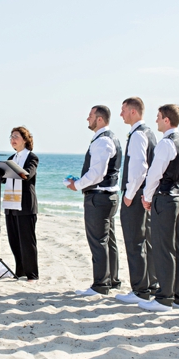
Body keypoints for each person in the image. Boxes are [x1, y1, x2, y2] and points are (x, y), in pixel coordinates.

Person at [139, 104, 179, 312]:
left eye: (159, 117)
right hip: (178, 197)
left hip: (165, 198)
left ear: (167, 120)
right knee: (178, 246)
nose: (157, 120)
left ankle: (165, 297)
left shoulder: (166, 144)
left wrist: (147, 197)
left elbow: (154, 174)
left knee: (163, 247)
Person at [67, 105, 122, 296]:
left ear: (99, 119)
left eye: (90, 116)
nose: (87, 119)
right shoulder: (110, 138)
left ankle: (101, 285)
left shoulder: (102, 141)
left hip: (99, 197)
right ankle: (111, 280)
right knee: (108, 241)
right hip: (108, 195)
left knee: (98, 241)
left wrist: (78, 185)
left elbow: (97, 173)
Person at [115, 97, 158, 304]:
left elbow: (140, 168)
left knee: (135, 241)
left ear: (133, 111)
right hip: (144, 194)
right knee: (145, 240)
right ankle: (149, 284)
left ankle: (140, 289)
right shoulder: (148, 133)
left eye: (123, 110)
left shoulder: (139, 135)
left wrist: (129, 195)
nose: (121, 114)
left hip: (136, 194)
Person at [4, 127, 39, 282]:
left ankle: (32, 274)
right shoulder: (11, 157)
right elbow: (4, 177)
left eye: (16, 136)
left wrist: (9, 170)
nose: (13, 139)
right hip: (11, 204)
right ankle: (20, 271)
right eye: (11, 136)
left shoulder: (32, 157)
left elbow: (27, 174)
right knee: (14, 239)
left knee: (27, 240)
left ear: (25, 139)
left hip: (25, 205)